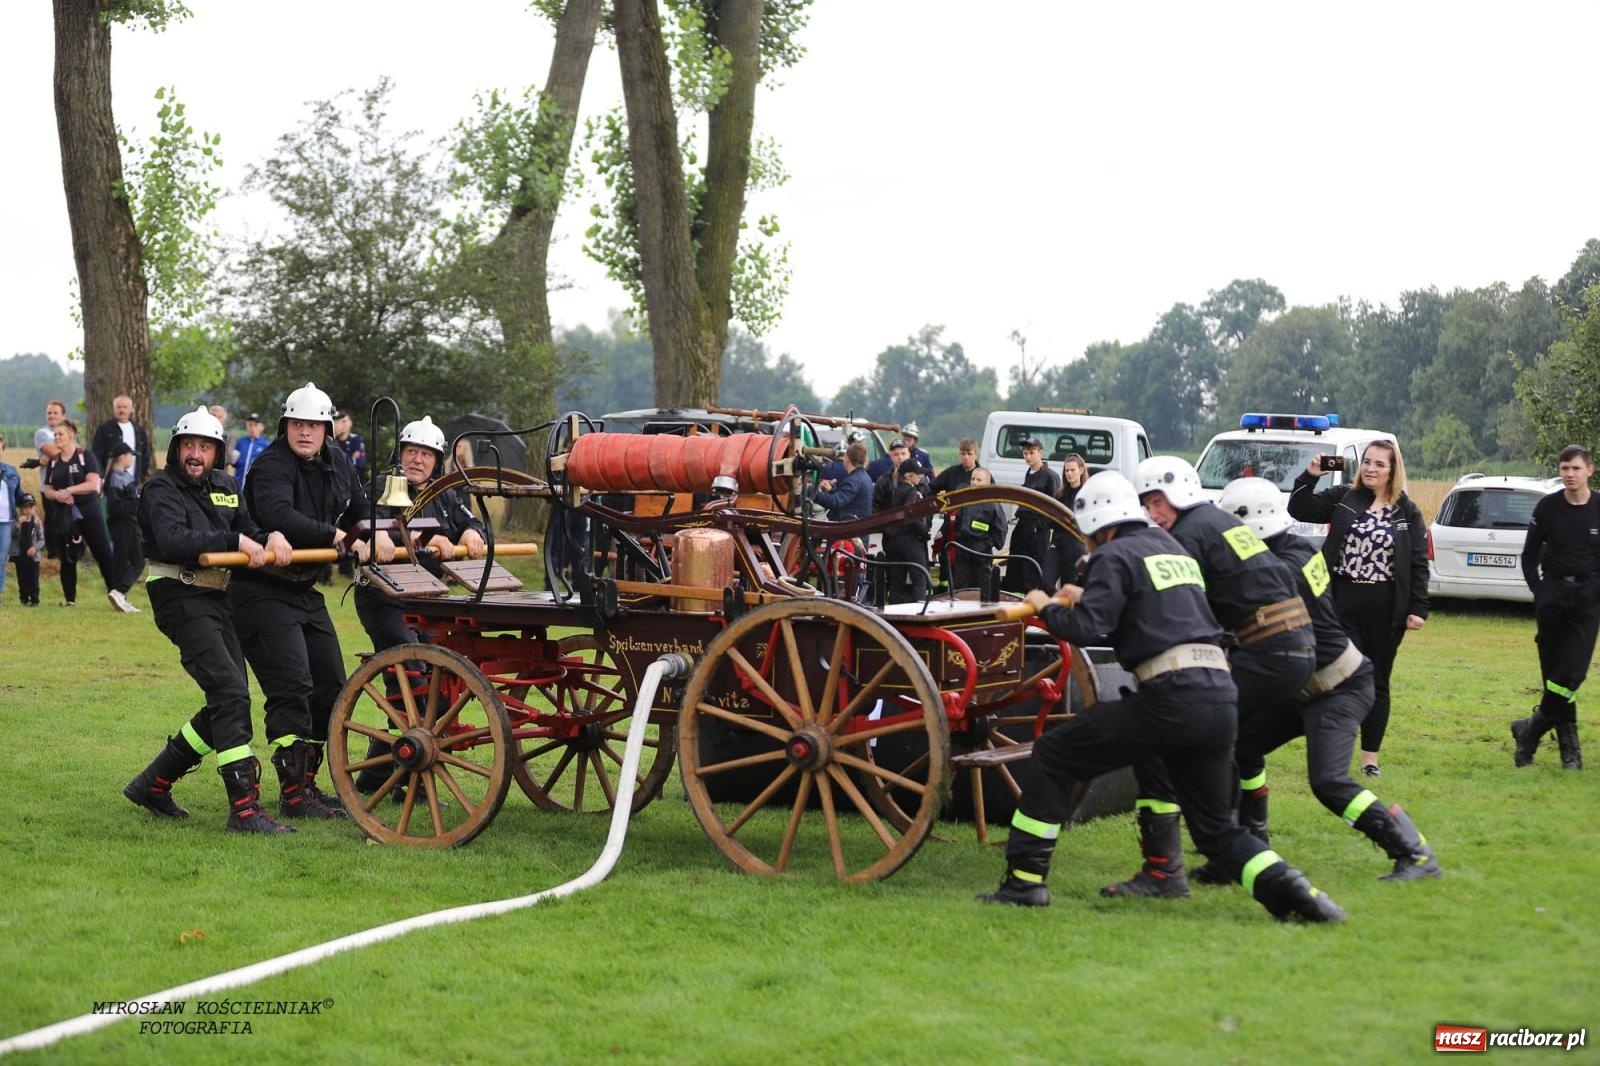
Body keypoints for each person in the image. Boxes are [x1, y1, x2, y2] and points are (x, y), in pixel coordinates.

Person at [978, 471, 1345, 923]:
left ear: (1100, 527)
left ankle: (1024, 884)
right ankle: (1301, 897)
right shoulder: (1172, 550)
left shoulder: (1113, 554)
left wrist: (1046, 604)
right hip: (1219, 696)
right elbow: (1146, 606)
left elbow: (1088, 628)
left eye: (1090, 537)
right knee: (1215, 831)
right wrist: (1085, 594)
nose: (1090, 546)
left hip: (1172, 696)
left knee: (1055, 753)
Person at [1106, 455, 1314, 898]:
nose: (1150, 512)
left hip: (1266, 649)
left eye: (1156, 501)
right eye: (1145, 503)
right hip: (1291, 648)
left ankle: (1164, 871)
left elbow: (1176, 604)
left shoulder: (1187, 535)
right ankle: (1237, 849)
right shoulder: (1215, 521)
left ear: (1177, 494)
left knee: (1164, 742)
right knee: (1223, 743)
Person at [1214, 477, 1441, 881]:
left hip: (1338, 686)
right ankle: (1252, 845)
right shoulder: (1294, 549)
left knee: (1329, 782)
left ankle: (1416, 854)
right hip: (1300, 684)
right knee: (1240, 745)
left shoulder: (1279, 568)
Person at [123, 406, 294, 834]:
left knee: (228, 696)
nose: (196, 454)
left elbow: (247, 528)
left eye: (205, 447)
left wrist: (267, 536)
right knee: (231, 692)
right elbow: (173, 539)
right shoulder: (159, 489)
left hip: (217, 596)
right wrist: (233, 539)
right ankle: (245, 810)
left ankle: (152, 783)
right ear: (176, 449)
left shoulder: (225, 485)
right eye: (189, 446)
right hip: (177, 593)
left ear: (217, 452)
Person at [233, 382, 393, 820]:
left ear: (326, 429)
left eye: (314, 425)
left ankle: (307, 785)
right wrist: (337, 535)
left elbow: (359, 507)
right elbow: (279, 514)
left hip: (303, 589)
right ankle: (292, 793)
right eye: (298, 424)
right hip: (260, 591)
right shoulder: (270, 466)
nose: (305, 432)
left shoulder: (336, 460)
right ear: (287, 426)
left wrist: (370, 532)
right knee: (292, 687)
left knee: (330, 688)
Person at [352, 415, 487, 792]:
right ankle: (387, 774)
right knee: (415, 682)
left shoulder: (444, 492)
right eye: (412, 451)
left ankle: (378, 776)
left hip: (429, 602)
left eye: (426, 454)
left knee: (435, 689)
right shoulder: (380, 486)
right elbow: (363, 522)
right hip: (383, 598)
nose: (418, 460)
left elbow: (472, 522)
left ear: (437, 459)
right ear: (401, 453)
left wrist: (470, 534)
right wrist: (401, 535)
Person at [1288, 439, 1428, 777]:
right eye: (1367, 462)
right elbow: (1299, 509)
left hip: (1386, 609)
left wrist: (1418, 607)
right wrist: (1310, 476)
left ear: (1393, 471)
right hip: (1342, 603)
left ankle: (1370, 761)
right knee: (1341, 677)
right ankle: (1333, 750)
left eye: (1380, 464)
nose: (1371, 469)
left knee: (1378, 681)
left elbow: (1419, 562)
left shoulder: (1406, 511)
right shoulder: (1343, 499)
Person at [1511, 444, 1600, 771]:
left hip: (1587, 600)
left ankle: (1529, 729)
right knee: (1555, 677)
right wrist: (1540, 592)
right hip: (1553, 598)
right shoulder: (1547, 507)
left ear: (1589, 470)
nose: (1570, 475)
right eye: (1564, 469)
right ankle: (1570, 753)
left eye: (1576, 468)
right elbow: (1528, 555)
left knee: (1571, 673)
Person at [40, 418, 120, 609]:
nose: (56, 438)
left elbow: (93, 484)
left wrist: (70, 490)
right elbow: (47, 487)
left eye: (60, 434)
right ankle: (70, 599)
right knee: (68, 556)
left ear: (72, 435)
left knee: (103, 552)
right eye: (55, 435)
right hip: (64, 513)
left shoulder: (85, 456)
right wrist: (57, 495)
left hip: (88, 511)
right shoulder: (54, 462)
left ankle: (116, 594)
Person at [1000, 437, 1060, 593]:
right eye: (1025, 453)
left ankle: (1032, 600)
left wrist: (1040, 527)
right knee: (1015, 563)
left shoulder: (1050, 476)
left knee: (1032, 566)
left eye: (1031, 452)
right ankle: (1014, 598)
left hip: (1037, 529)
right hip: (1023, 525)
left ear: (1041, 452)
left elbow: (1054, 506)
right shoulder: (1029, 473)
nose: (1028, 456)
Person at [882, 459, 932, 604]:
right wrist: (924, 531)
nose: (921, 477)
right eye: (918, 474)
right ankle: (920, 610)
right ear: (908, 476)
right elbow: (910, 514)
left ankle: (894, 612)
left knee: (897, 581)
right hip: (911, 541)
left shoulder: (896, 490)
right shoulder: (911, 492)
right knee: (919, 577)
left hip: (896, 540)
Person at [102, 442, 144, 611]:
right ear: (121, 457)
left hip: (128, 524)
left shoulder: (124, 475)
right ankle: (119, 592)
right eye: (129, 455)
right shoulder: (116, 478)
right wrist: (137, 502)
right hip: (123, 525)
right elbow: (115, 507)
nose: (132, 458)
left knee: (124, 561)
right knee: (137, 561)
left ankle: (119, 598)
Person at [950, 467, 1007, 593]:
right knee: (959, 589)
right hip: (964, 552)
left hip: (982, 554)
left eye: (979, 480)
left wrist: (987, 543)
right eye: (973, 479)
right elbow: (958, 522)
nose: (974, 482)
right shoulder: (966, 500)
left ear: (987, 482)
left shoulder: (993, 504)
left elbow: (1000, 528)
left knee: (981, 590)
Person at [1044, 452, 1089, 589]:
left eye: (1072, 470)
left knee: (1069, 587)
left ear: (1081, 470)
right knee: (1045, 582)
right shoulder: (1060, 494)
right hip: (1057, 544)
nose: (1069, 473)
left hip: (1076, 545)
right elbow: (1051, 519)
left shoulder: (1087, 494)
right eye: (1067, 470)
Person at [90, 393, 154, 483]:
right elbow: (96, 453)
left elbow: (145, 454)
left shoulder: (139, 431)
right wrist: (102, 475)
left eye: (125, 407)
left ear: (132, 409)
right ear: (114, 409)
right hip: (111, 479)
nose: (122, 410)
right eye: (118, 407)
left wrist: (142, 475)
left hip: (133, 479)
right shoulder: (104, 429)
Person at [807, 441, 872, 521]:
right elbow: (848, 498)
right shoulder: (864, 477)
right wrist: (831, 490)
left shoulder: (853, 480)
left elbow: (835, 502)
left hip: (850, 529)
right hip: (859, 528)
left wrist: (811, 491)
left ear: (847, 458)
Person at [13, 493, 42, 606]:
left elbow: (42, 539)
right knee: (22, 578)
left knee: (33, 579)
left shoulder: (37, 522)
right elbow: (12, 536)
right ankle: (23, 599)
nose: (28, 510)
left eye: (31, 507)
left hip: (33, 557)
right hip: (20, 555)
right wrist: (18, 525)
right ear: (21, 509)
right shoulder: (17, 522)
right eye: (25, 507)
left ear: (34, 507)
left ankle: (34, 600)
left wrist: (35, 547)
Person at [0, 432, 18, 597]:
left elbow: (19, 495)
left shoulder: (11, 471)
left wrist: (29, 513)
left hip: (6, 521)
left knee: (1, 559)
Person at [232, 412, 271, 485]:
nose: (252, 428)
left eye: (255, 425)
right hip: (238, 483)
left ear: (261, 427)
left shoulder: (266, 445)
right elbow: (233, 464)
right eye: (250, 425)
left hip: (255, 484)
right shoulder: (241, 442)